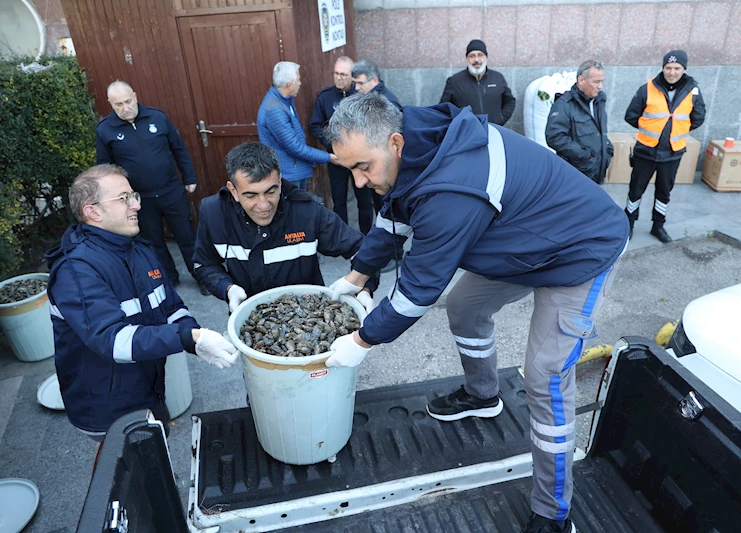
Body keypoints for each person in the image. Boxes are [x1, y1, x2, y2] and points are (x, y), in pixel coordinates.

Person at [323, 93, 628, 533]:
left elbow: (417, 291)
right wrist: (357, 274)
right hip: (525, 241)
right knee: (466, 306)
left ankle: (553, 513)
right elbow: (396, 218)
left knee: (544, 376)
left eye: (362, 167)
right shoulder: (420, 142)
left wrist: (361, 340)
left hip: (581, 253)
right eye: (347, 169)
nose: (357, 182)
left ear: (393, 142)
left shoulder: (453, 188)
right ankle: (483, 395)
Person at [45, 164, 238, 441]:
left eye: (134, 195)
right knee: (135, 473)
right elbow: (112, 340)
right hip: (108, 406)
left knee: (158, 452)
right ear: (93, 211)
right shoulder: (77, 270)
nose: (136, 205)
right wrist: (188, 338)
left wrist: (196, 339)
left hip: (148, 389)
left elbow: (171, 307)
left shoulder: (138, 248)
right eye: (124, 198)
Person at [193, 142, 376, 312]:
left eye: (271, 192)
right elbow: (204, 264)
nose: (263, 205)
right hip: (250, 320)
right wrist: (227, 288)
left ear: (280, 182)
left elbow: (362, 250)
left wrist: (363, 288)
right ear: (233, 191)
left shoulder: (308, 211)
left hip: (309, 317)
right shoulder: (214, 213)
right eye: (251, 195)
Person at [96, 80, 204, 291]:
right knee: (153, 242)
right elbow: (105, 167)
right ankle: (169, 278)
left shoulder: (157, 117)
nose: (125, 108)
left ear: (135, 96)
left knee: (187, 237)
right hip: (139, 198)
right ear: (110, 103)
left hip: (171, 190)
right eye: (118, 104)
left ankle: (202, 277)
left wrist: (189, 178)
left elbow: (179, 149)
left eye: (128, 101)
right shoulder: (105, 130)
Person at [624, 50, 706, 242]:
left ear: (684, 69)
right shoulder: (647, 88)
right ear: (663, 68)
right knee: (636, 190)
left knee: (664, 192)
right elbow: (631, 115)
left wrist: (674, 129)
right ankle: (628, 223)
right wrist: (652, 127)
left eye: (676, 68)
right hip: (645, 150)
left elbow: (698, 118)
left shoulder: (693, 90)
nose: (671, 72)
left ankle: (658, 226)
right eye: (668, 68)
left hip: (672, 153)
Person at [310, 56, 374, 234]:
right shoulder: (325, 97)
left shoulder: (362, 94)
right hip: (337, 160)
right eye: (336, 73)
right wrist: (333, 144)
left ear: (351, 76)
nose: (339, 78)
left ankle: (366, 235)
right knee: (339, 201)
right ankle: (343, 237)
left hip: (360, 159)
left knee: (364, 200)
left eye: (343, 74)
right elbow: (315, 125)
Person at [257, 61, 338, 191]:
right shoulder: (275, 111)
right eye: (298, 80)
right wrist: (328, 157)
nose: (300, 83)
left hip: (294, 169)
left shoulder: (284, 99)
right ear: (289, 85)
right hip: (289, 174)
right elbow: (294, 147)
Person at [545, 60, 612, 184]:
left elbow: (600, 131)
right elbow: (554, 137)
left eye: (602, 81)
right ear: (581, 80)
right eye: (596, 82)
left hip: (597, 171)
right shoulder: (565, 104)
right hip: (576, 173)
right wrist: (585, 156)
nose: (600, 86)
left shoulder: (599, 101)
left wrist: (608, 150)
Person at [350, 59, 402, 217]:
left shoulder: (387, 102)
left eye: (360, 83)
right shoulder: (371, 98)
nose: (356, 88)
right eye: (354, 83)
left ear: (374, 80)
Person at [439, 39, 516, 126]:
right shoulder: (454, 81)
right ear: (467, 58)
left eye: (480, 55)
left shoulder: (497, 78)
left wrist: (501, 118)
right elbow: (443, 108)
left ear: (486, 57)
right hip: (467, 133)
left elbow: (510, 101)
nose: (476, 60)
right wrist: (458, 124)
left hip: (494, 130)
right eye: (472, 56)